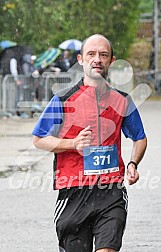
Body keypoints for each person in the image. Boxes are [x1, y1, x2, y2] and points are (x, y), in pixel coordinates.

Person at [32, 34, 147, 252]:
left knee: (108, 248)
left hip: (111, 189)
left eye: (103, 55)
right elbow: (39, 139)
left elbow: (139, 138)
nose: (97, 59)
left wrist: (133, 164)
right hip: (73, 190)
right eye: (91, 54)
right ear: (81, 59)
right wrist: (72, 144)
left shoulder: (122, 100)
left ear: (111, 61)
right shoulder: (63, 99)